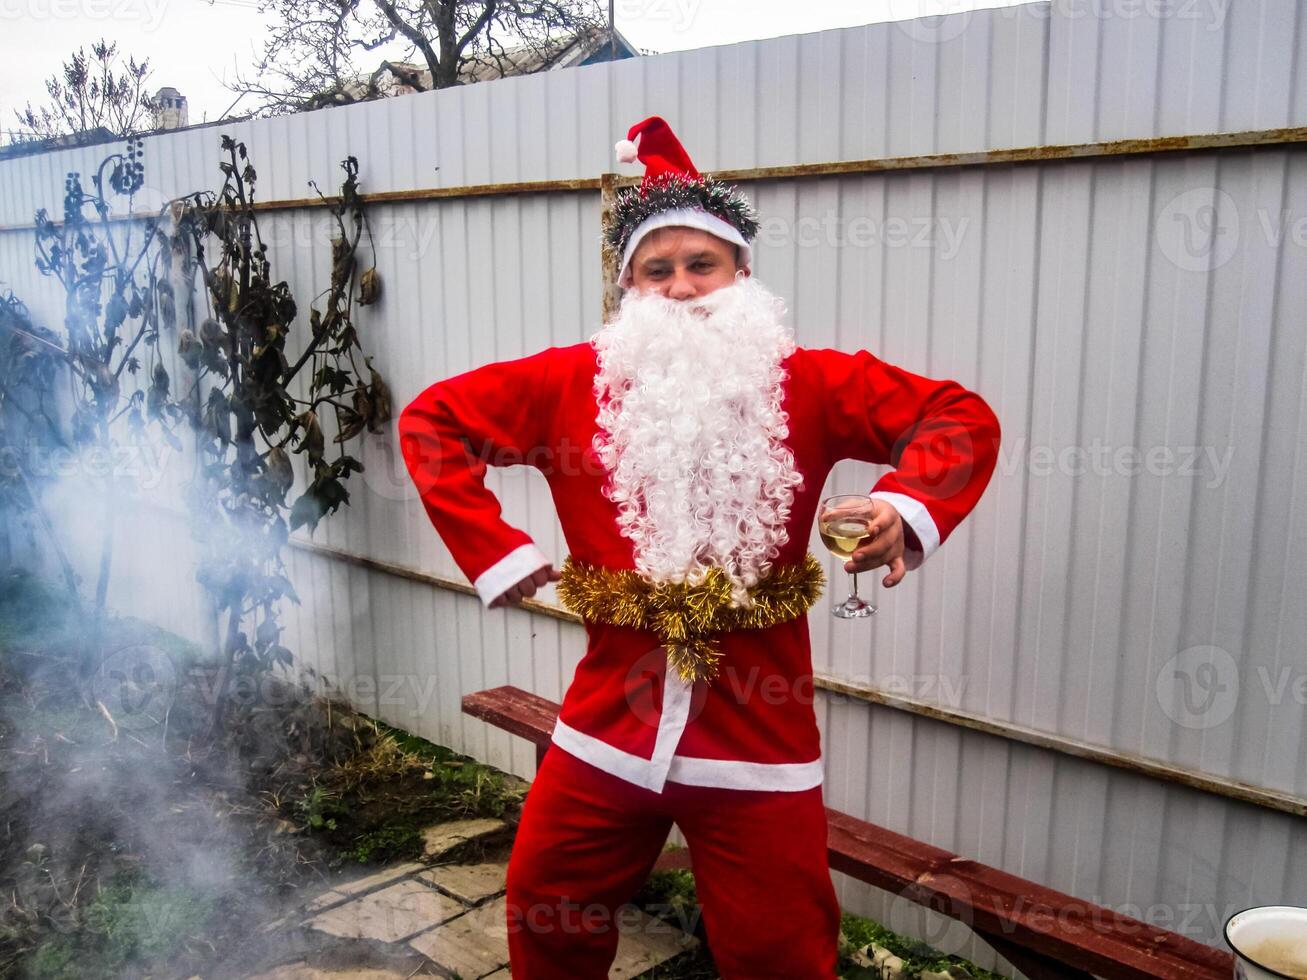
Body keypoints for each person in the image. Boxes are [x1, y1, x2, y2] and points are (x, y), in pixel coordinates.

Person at [398, 115, 1001, 979]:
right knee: (545, 907)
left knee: (782, 952)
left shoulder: (811, 383)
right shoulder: (570, 383)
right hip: (608, 723)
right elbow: (433, 421)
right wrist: (493, 546)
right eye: (657, 270)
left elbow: (958, 416)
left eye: (700, 265)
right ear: (628, 290)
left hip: (759, 735)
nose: (680, 288)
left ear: (741, 274)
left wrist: (907, 506)